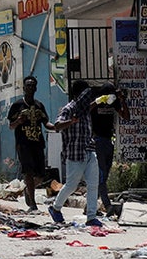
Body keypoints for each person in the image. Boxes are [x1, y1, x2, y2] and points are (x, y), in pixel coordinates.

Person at [48, 81, 102, 227]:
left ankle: (91, 217)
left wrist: (99, 101)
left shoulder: (84, 108)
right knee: (71, 185)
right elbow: (57, 126)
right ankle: (55, 208)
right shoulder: (69, 109)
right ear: (79, 94)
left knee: (93, 184)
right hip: (75, 153)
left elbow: (90, 106)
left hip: (89, 150)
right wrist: (71, 121)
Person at [8, 75, 49, 211]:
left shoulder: (39, 105)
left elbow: (46, 122)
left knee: (41, 175)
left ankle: (28, 190)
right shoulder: (17, 105)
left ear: (36, 88)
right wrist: (18, 121)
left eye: (33, 85)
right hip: (24, 143)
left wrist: (57, 127)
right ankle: (32, 203)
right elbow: (11, 126)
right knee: (28, 173)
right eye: (28, 85)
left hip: (37, 142)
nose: (30, 88)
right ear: (24, 88)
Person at [91, 83, 131, 216]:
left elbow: (126, 116)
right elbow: (85, 110)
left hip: (108, 141)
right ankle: (107, 205)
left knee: (104, 175)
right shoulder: (96, 102)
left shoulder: (112, 103)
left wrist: (122, 100)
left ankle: (90, 205)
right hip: (98, 141)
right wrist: (99, 101)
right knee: (101, 175)